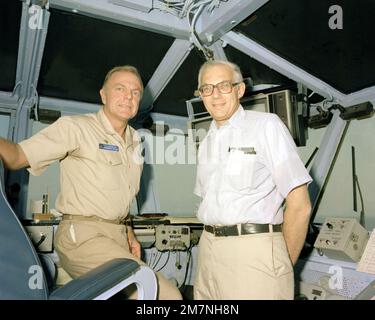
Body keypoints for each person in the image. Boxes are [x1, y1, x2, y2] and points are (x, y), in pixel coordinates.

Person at [0, 65, 182, 300]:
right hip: (83, 236)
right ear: (103, 95)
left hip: (116, 237)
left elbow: (119, 197)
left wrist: (129, 233)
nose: (129, 96)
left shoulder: (135, 140)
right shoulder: (76, 127)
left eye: (136, 92)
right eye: (120, 88)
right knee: (166, 295)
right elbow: (16, 156)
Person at [193, 60, 312, 300]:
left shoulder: (266, 126)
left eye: (224, 85)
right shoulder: (206, 143)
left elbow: (300, 206)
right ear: (201, 95)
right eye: (207, 88)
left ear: (240, 90)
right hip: (207, 252)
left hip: (254, 252)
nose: (215, 94)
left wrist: (279, 263)